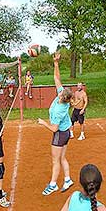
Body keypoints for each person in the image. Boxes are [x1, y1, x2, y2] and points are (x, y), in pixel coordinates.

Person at [38, 52, 74, 196]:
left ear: (62, 97)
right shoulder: (62, 96)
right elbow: (56, 78)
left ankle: (53, 184)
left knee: (55, 160)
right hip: (65, 133)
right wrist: (56, 63)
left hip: (59, 134)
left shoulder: (60, 109)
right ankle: (67, 180)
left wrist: (43, 123)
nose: (59, 90)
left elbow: (54, 128)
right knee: (62, 158)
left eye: (60, 92)